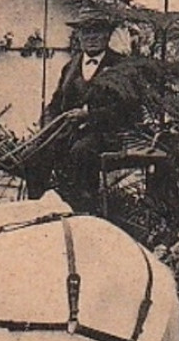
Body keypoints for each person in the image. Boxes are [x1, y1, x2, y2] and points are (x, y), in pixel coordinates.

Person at [31, 18, 142, 215]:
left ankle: (84, 212)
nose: (91, 38)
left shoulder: (122, 66)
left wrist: (90, 115)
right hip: (69, 132)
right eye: (86, 33)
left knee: (81, 152)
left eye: (97, 32)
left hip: (106, 133)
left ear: (107, 36)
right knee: (38, 153)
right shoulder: (71, 66)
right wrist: (47, 128)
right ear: (79, 37)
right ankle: (38, 209)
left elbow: (129, 109)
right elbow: (55, 103)